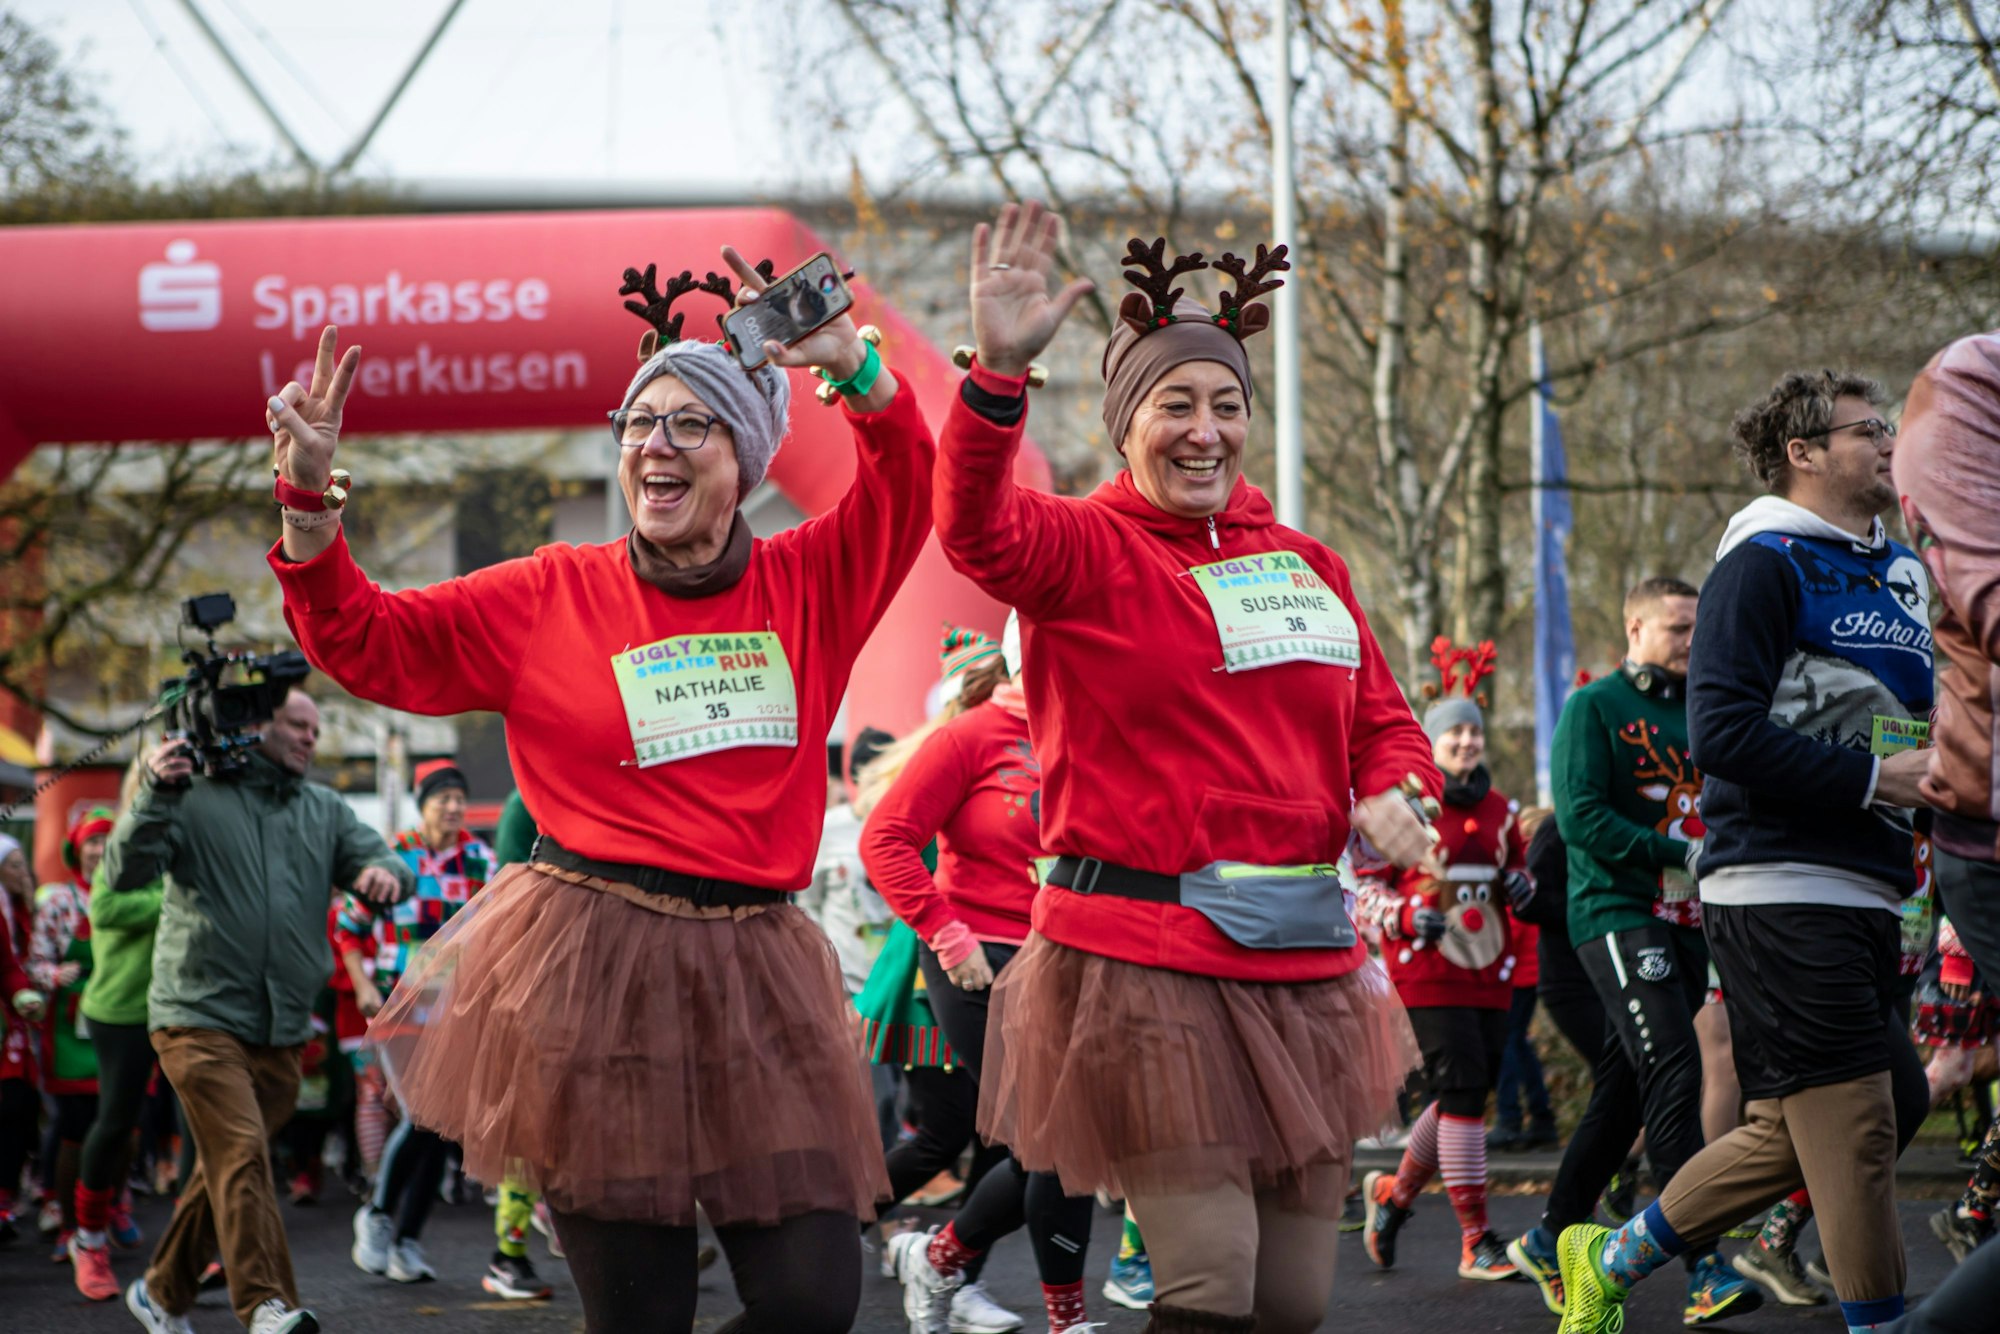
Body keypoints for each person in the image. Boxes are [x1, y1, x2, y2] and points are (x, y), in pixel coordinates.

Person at [266, 238, 933, 1334]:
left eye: (689, 423)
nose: (654, 446)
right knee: (641, 1316)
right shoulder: (550, 591)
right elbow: (369, 638)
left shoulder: (811, 578)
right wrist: (308, 502)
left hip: (759, 978)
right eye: (638, 424)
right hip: (593, 975)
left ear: (748, 457)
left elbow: (909, 484)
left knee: (813, 1299)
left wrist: (850, 366)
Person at [934, 202, 1432, 1334]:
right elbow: (972, 530)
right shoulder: (1081, 549)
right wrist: (996, 379)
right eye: (1173, 404)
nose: (1204, 430)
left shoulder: (1310, 565)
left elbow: (1379, 721)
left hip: (1302, 970)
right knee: (1206, 1290)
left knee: (1290, 1305)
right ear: (1124, 426)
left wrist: (1391, 787)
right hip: (1142, 966)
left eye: (1225, 404)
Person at [1557, 369, 1936, 1334]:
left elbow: (1911, 727)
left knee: (1849, 1105)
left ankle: (1612, 1255)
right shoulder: (1761, 562)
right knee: (1855, 1127)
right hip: (1776, 879)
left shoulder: (1900, 575)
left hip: (1872, 885)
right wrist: (1872, 781)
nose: (1890, 442)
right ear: (1804, 453)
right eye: (1869, 429)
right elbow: (1720, 731)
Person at [104, 687, 414, 1334]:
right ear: (255, 726)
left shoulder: (323, 807)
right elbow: (122, 873)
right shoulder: (190, 795)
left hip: (281, 1027)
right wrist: (156, 794)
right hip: (195, 1013)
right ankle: (266, 1305)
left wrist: (387, 875)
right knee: (243, 1152)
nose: (310, 738)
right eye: (297, 726)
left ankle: (160, 1293)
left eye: (314, 728)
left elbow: (382, 857)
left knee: (227, 1165)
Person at [1506, 577, 1763, 1321]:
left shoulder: (1705, 708)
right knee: (1675, 1069)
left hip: (1687, 919)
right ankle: (1704, 1267)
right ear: (1635, 629)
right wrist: (1675, 851)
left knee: (1624, 1094)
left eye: (1697, 629)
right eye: (1678, 629)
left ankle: (1551, 1234)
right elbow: (1580, 818)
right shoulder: (1594, 707)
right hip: (1616, 913)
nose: (1691, 642)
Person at [868, 621, 1100, 1334]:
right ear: (1029, 655)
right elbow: (887, 838)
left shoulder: (1091, 735)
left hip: (1070, 962)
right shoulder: (970, 735)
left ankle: (937, 1262)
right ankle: (1063, 1318)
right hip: (979, 962)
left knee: (1061, 1143)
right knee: (1047, 1139)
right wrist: (945, 930)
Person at [1358, 657, 1529, 1282]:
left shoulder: (1503, 810)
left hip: (1488, 967)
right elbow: (1365, 886)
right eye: (1453, 733)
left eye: (1474, 732)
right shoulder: (1402, 806)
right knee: (1461, 1091)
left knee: (1464, 1092)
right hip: (1423, 969)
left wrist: (1523, 885)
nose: (1466, 741)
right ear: (1431, 741)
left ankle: (1394, 1197)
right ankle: (1475, 1238)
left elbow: (1524, 872)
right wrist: (1403, 915)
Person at [1890, 331, 2000, 1272]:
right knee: (1951, 1067)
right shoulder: (1967, 390)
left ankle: (1974, 1204)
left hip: (1953, 863)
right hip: (1967, 865)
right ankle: (1778, 1220)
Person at [341, 758, 493, 1287]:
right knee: (420, 1114)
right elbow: (348, 926)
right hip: (397, 1005)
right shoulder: (394, 856)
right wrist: (361, 984)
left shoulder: (479, 858)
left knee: (438, 1125)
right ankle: (379, 1215)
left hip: (453, 1011)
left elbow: (495, 929)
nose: (452, 807)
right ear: (421, 802)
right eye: (441, 798)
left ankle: (406, 1239)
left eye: (459, 798)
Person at [71, 760, 168, 1300]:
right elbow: (104, 906)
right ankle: (88, 1239)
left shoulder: (184, 839)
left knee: (199, 1128)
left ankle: (196, 1244)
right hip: (120, 1010)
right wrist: (172, 902)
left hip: (181, 1008)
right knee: (116, 1123)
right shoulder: (123, 843)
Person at [29, 806, 112, 1264]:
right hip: (69, 1029)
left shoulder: (125, 892)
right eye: (93, 841)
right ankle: (66, 1216)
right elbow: (33, 965)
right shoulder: (60, 901)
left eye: (107, 841)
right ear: (77, 848)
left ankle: (108, 1205)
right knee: (74, 1122)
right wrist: (56, 974)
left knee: (119, 1121)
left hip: (116, 1020)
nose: (99, 851)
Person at [0, 833, 45, 1245]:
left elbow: (9, 964)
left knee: (15, 1108)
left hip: (9, 1028)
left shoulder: (14, 911)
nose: (22, 872)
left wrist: (20, 993)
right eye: (14, 865)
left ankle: (4, 1200)